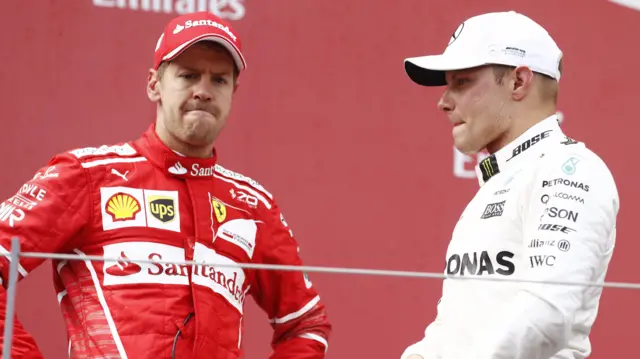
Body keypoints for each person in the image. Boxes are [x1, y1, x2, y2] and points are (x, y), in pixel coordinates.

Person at [0, 11, 331, 359]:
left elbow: (305, 324)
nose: (203, 91)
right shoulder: (86, 176)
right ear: (154, 85)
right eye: (188, 75)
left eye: (218, 80)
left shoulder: (252, 205)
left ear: (233, 91)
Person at [400, 10, 619, 359]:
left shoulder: (571, 171)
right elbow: (451, 332)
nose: (443, 102)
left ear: (518, 82)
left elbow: (545, 317)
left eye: (461, 82)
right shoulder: (496, 184)